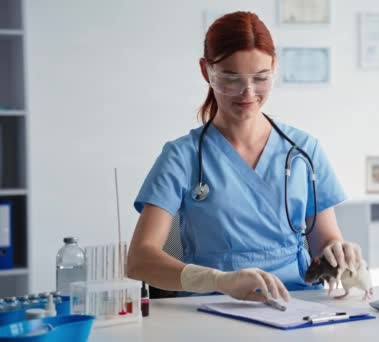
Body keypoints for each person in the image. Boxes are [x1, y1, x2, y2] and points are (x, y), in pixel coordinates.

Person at [127, 11, 361, 303]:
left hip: (298, 305)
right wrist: (219, 280)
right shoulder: (182, 157)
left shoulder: (303, 151)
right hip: (214, 306)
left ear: (274, 68)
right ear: (206, 71)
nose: (247, 92)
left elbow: (323, 242)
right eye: (231, 79)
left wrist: (338, 251)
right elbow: (139, 260)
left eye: (261, 78)